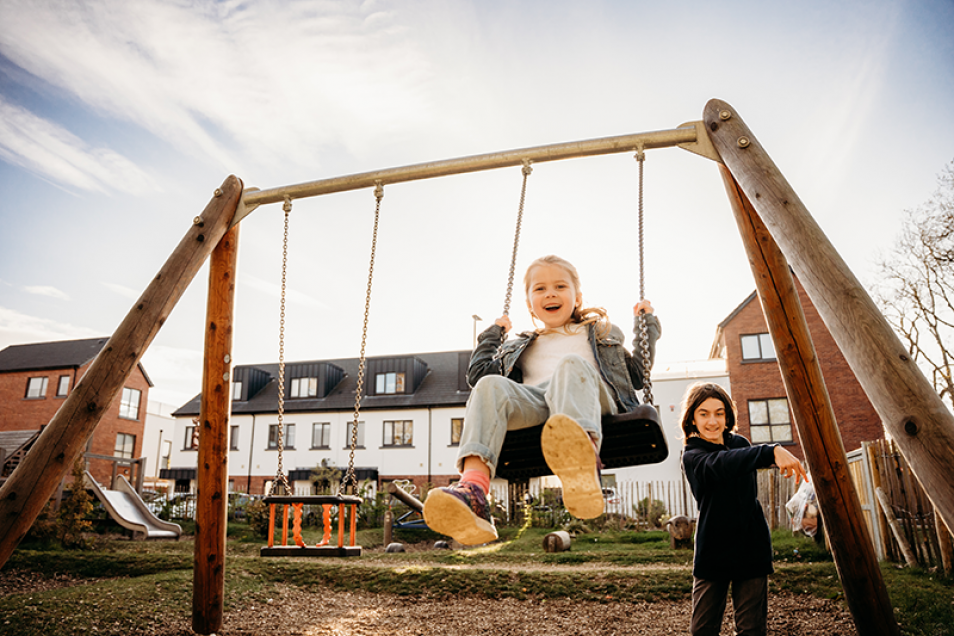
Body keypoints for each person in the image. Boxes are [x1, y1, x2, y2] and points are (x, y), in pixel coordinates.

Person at [423, 254, 661, 545]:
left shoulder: (600, 332)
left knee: (570, 366)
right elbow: (476, 375)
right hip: (539, 403)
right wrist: (494, 334)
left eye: (560, 286)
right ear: (530, 304)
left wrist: (645, 324)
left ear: (577, 298)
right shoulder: (520, 346)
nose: (550, 293)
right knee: (488, 386)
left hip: (590, 397)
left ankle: (582, 460)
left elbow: (637, 375)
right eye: (540, 288)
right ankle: (474, 492)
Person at [680, 382, 808, 636]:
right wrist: (770, 451)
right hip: (713, 551)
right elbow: (722, 464)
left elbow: (739, 458)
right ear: (692, 419)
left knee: (752, 629)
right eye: (703, 413)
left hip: (751, 547)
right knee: (702, 630)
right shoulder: (692, 455)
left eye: (719, 412)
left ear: (728, 416)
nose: (712, 421)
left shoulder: (740, 443)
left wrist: (764, 453)